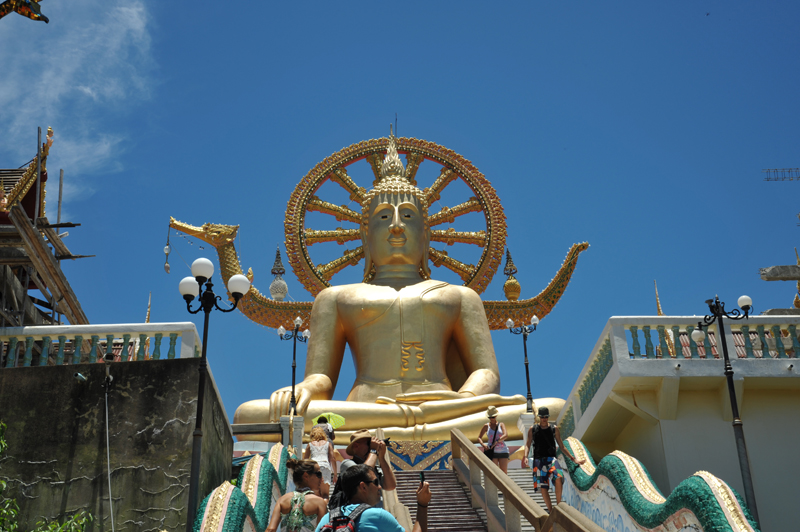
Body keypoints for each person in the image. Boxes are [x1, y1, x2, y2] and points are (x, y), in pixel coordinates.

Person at [235, 132, 564, 442]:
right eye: (382, 218)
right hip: (365, 410)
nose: (395, 226)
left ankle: (416, 425)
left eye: (407, 216)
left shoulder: (461, 297)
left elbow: (487, 374)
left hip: (445, 408)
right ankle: (415, 426)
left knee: (555, 409)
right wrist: (304, 389)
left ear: (426, 234)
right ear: (365, 235)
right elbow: (322, 380)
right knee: (250, 415)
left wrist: (459, 401)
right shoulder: (335, 298)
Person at [316, 464, 431, 532]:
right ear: (363, 487)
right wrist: (422, 504)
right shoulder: (378, 516)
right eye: (376, 482)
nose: (380, 487)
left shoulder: (327, 519)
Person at [522, 406, 585, 512]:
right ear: (539, 417)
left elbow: (562, 446)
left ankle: (559, 505)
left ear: (548, 417)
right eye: (542, 417)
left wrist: (574, 459)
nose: (544, 419)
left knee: (559, 477)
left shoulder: (554, 429)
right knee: (543, 487)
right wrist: (525, 456)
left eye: (546, 416)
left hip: (551, 459)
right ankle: (551, 510)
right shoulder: (533, 429)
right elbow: (528, 444)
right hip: (538, 461)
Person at [330, 430, 396, 508]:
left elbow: (390, 486)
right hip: (356, 516)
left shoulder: (375, 468)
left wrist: (381, 457)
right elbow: (363, 474)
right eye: (368, 444)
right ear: (356, 446)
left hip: (374, 515)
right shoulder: (347, 464)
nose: (371, 446)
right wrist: (373, 451)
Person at [267, 458, 328, 532]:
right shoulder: (319, 502)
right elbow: (322, 530)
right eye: (319, 474)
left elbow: (271, 529)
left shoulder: (282, 500)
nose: (322, 479)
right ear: (306, 476)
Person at [304, 426, 337, 498]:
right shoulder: (328, 444)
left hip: (313, 468)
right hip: (325, 467)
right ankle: (324, 508)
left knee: (315, 495)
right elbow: (333, 458)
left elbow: (305, 461)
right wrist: (335, 474)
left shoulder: (310, 445)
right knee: (325, 495)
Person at [477, 405, 510, 473]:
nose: (491, 418)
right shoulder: (486, 426)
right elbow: (479, 437)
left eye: (493, 417)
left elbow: (506, 435)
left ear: (496, 416)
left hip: (503, 450)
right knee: (494, 472)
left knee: (504, 471)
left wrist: (497, 441)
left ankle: (502, 484)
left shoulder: (501, 424)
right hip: (492, 451)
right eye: (490, 417)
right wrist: (483, 445)